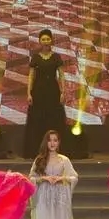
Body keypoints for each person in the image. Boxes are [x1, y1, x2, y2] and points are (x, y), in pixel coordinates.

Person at [26, 130, 78, 219]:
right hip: (43, 199)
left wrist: (62, 178)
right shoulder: (39, 160)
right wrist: (44, 178)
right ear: (46, 142)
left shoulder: (64, 160)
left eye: (55, 140)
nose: (52, 143)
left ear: (59, 142)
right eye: (50, 140)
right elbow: (31, 178)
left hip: (59, 200)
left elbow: (74, 177)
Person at [23, 28, 67, 158]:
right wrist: (29, 93)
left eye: (48, 39)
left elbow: (61, 75)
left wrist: (63, 92)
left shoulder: (56, 57)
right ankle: (37, 151)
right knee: (37, 120)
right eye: (43, 39)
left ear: (51, 40)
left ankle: (56, 150)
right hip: (38, 92)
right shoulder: (36, 57)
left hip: (53, 91)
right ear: (39, 41)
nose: (46, 41)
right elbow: (31, 76)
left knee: (54, 119)